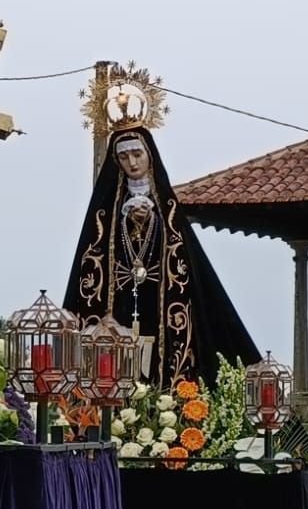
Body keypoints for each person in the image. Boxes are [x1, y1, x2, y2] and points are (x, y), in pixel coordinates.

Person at [62, 124, 258, 386]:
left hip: (161, 304)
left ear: (149, 155)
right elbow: (92, 258)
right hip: (118, 306)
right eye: (124, 157)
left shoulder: (167, 209)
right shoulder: (105, 212)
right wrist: (125, 220)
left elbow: (184, 260)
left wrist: (153, 219)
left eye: (137, 154)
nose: (132, 163)